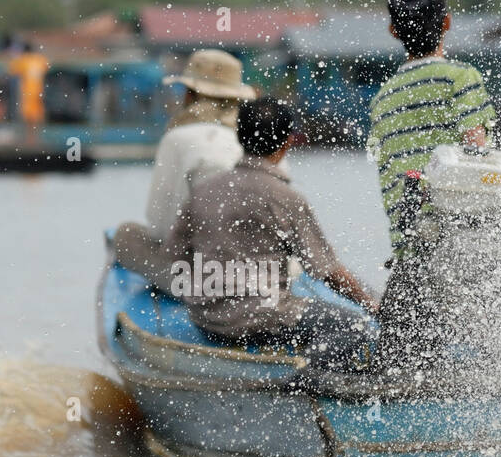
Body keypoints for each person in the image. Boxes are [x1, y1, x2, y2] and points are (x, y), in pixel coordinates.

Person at [164, 98, 377, 369]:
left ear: (240, 137)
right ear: (287, 143)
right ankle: (305, 382)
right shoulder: (284, 198)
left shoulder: (205, 191)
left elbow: (175, 255)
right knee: (355, 327)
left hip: (207, 320)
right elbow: (326, 271)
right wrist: (371, 304)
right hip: (263, 319)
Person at [366, 0, 501, 373]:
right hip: (468, 254)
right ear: (447, 22)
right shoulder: (461, 78)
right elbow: (478, 162)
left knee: (400, 376)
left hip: (410, 264)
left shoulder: (381, 100)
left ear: (394, 31)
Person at [145, 49, 256, 241]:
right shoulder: (257, 137)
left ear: (190, 95)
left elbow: (159, 226)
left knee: (125, 234)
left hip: (198, 259)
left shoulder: (177, 137)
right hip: (258, 257)